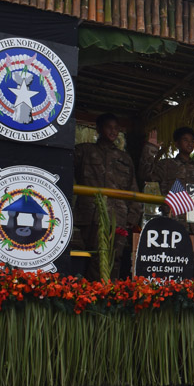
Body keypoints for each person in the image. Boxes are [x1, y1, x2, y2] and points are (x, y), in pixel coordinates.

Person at [74, 113, 142, 279]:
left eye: (116, 128)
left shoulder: (125, 158)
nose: (113, 131)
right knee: (92, 258)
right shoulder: (84, 151)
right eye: (108, 127)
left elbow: (133, 187)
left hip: (118, 218)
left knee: (115, 259)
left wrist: (132, 217)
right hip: (91, 216)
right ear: (98, 129)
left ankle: (110, 293)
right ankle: (92, 293)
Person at [140, 126, 194, 263]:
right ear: (177, 144)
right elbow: (145, 174)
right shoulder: (167, 165)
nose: (189, 144)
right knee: (172, 264)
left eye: (192, 141)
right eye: (185, 140)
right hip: (172, 224)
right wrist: (151, 148)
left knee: (191, 266)